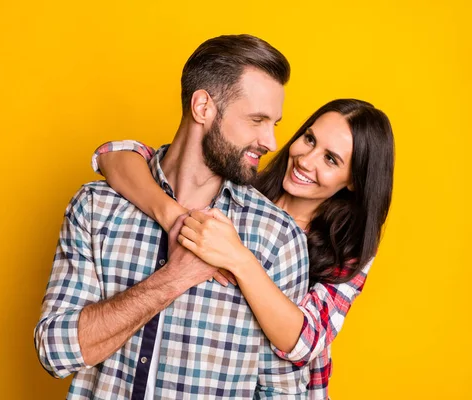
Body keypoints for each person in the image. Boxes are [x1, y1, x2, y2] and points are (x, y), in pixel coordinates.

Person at [35, 34, 312, 399]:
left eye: (273, 123)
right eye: (257, 120)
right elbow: (55, 352)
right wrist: (172, 279)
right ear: (202, 107)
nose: (272, 141)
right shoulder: (97, 208)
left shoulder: (276, 238)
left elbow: (284, 390)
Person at [92, 98, 395, 399]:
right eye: (309, 139)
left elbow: (305, 342)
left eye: (331, 159)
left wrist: (239, 259)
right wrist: (175, 218)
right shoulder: (241, 186)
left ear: (355, 180)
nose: (306, 160)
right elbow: (114, 155)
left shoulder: (350, 250)